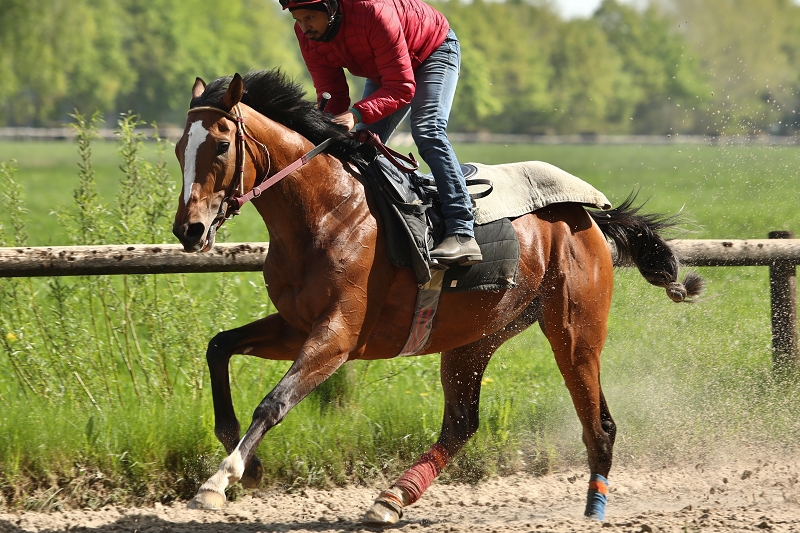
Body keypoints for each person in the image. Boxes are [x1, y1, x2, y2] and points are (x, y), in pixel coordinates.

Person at [281, 0, 482, 265]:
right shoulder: (307, 35)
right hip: (386, 68)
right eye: (298, 20)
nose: (304, 27)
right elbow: (333, 95)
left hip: (433, 51)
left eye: (309, 17)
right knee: (360, 150)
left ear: (330, 8)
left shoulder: (373, 13)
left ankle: (462, 233)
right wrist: (323, 129)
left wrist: (356, 115)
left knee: (428, 130)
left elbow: (401, 88)